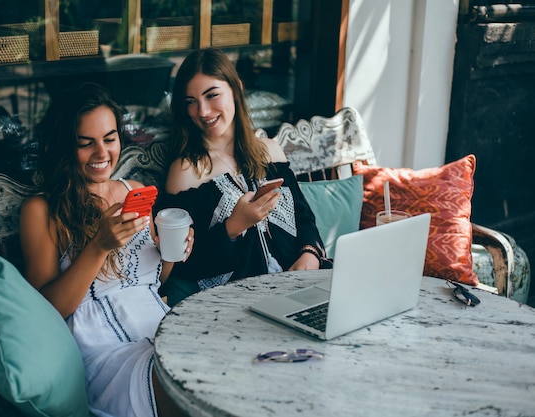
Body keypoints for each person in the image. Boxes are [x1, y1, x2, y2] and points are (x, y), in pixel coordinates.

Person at [18, 82, 191, 417]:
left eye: (109, 139)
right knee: (184, 388)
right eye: (86, 143)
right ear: (65, 145)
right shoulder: (43, 210)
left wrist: (172, 252)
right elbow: (46, 312)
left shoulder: (135, 192)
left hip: (161, 329)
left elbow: (152, 282)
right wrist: (97, 247)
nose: (102, 154)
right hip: (106, 353)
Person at [160, 48, 326, 307]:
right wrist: (234, 226)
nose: (203, 111)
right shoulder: (186, 172)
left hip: (301, 286)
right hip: (242, 303)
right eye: (190, 101)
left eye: (212, 95)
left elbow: (304, 218)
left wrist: (310, 255)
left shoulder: (268, 151)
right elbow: (184, 266)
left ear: (236, 89)